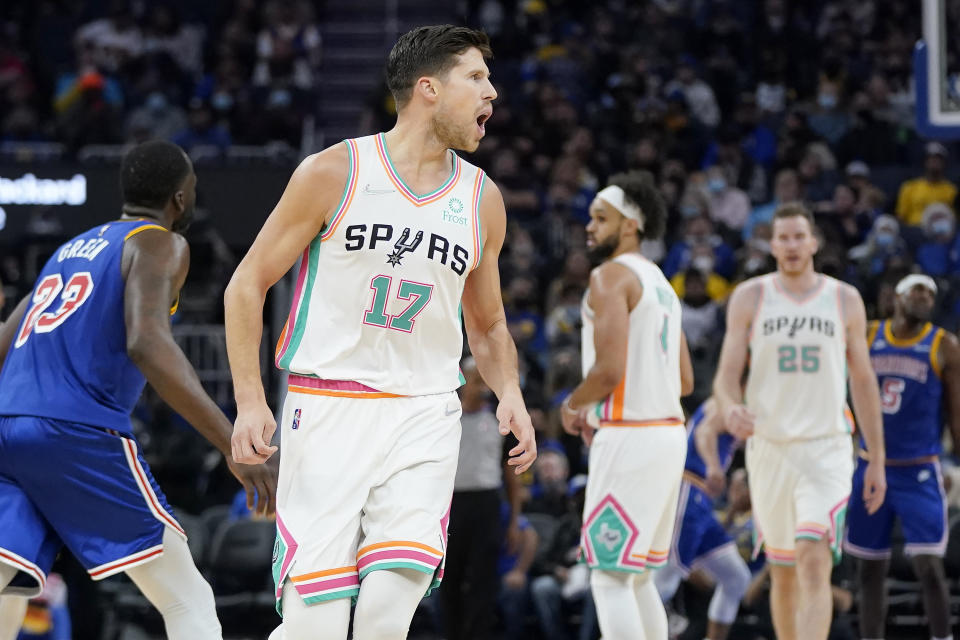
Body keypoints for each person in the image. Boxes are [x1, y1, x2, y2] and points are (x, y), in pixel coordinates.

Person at [223, 25, 537, 640]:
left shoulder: (482, 199)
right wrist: (249, 401)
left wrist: (513, 395)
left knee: (388, 614)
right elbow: (246, 284)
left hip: (424, 411)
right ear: (428, 89)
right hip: (328, 405)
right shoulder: (334, 171)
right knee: (316, 625)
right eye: (476, 78)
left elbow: (490, 322)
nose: (492, 94)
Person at [0, 140, 277, 640]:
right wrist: (231, 442)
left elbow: (4, 342)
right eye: (192, 191)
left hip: (7, 429)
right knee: (185, 596)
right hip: (76, 431)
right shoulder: (160, 243)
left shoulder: (67, 251)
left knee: (7, 586)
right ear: (178, 199)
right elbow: (146, 343)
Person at [713, 202, 886, 640]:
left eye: (798, 236)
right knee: (783, 569)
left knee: (813, 556)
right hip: (769, 450)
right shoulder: (750, 296)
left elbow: (864, 381)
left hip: (825, 448)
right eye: (783, 237)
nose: (791, 245)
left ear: (814, 242)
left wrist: (877, 457)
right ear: (771, 244)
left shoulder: (844, 298)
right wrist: (731, 406)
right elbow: (725, 379)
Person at [561, 171, 694, 640]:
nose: (590, 227)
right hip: (668, 436)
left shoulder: (609, 276)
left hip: (629, 436)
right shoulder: (661, 282)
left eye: (602, 218)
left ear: (631, 224)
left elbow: (609, 370)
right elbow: (685, 379)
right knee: (637, 577)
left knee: (609, 576)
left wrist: (573, 406)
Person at [844, 274, 960, 640]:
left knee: (929, 566)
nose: (926, 296)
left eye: (931, 293)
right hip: (869, 465)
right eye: (918, 289)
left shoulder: (945, 346)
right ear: (895, 296)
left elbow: (956, 412)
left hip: (919, 470)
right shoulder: (866, 334)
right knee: (869, 568)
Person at [655, 398, 751, 640]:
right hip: (689, 490)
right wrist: (713, 466)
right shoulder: (729, 401)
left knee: (736, 578)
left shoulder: (732, 404)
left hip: (702, 502)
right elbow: (705, 431)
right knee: (666, 579)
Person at [441, 357, 524, 640]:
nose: (480, 384)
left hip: (486, 504)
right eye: (476, 378)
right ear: (463, 378)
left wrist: (514, 520)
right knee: (448, 579)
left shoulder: (500, 420)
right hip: (451, 505)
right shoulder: (445, 417)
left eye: (483, 379)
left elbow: (511, 477)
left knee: (483, 581)